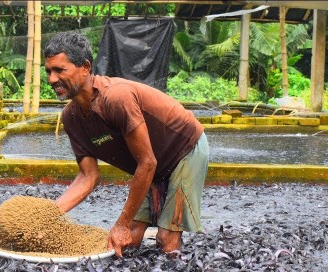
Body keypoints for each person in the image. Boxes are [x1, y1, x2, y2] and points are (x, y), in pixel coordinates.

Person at [43, 31, 209, 257]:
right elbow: (87, 176)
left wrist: (121, 222)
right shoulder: (71, 118)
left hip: (184, 149)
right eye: (49, 71)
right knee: (129, 239)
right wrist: (45, 216)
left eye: (60, 70)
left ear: (85, 67)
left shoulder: (115, 99)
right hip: (153, 163)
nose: (52, 79)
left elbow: (147, 162)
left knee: (166, 240)